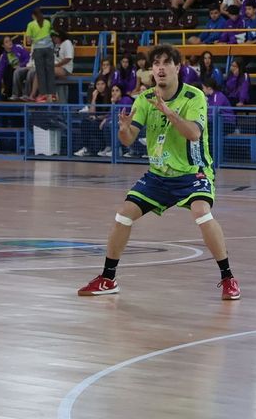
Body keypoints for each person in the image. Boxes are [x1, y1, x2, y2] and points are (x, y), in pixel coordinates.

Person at [78, 45, 238, 300]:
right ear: (151, 69)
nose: (160, 68)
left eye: (166, 63)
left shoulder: (193, 96)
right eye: (156, 64)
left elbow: (194, 134)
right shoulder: (144, 99)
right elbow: (129, 139)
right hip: (158, 174)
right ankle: (108, 278)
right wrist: (123, 129)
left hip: (192, 171)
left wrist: (170, 113)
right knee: (123, 216)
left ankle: (228, 278)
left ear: (178, 67)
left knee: (201, 213)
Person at [22, 8, 55, 100]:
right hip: (49, 48)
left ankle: (43, 94)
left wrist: (35, 40)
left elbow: (28, 41)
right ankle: (52, 94)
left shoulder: (31, 24)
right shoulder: (47, 22)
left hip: (38, 49)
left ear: (33, 16)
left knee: (40, 72)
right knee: (50, 71)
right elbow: (52, 34)